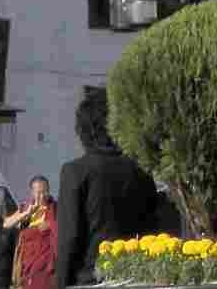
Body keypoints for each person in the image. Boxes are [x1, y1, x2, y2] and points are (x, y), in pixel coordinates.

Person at [58, 91, 163, 287]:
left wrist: (60, 284)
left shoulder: (75, 171)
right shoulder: (141, 170)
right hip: (136, 276)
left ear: (84, 129)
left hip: (91, 277)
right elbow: (153, 225)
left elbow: (69, 237)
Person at [6, 176, 58, 289]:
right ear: (32, 193)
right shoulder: (26, 208)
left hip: (46, 264)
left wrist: (51, 224)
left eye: (45, 192)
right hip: (27, 262)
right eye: (38, 192)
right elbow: (6, 224)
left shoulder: (55, 208)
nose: (42, 196)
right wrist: (26, 214)